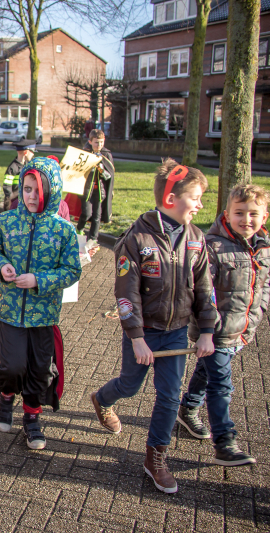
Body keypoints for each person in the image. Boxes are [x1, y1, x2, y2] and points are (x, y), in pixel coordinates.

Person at [90, 159, 217, 494]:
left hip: (176, 332)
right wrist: (136, 337)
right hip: (144, 333)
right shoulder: (136, 238)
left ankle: (155, 457)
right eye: (195, 198)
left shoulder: (196, 239)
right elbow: (126, 292)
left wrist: (206, 331)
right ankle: (102, 398)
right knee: (130, 385)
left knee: (170, 395)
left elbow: (205, 288)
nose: (200, 205)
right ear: (172, 199)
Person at [0, 157, 81, 450]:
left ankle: (32, 416)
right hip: (10, 311)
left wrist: (39, 279)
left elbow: (72, 271)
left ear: (53, 191)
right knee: (13, 365)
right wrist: (1, 266)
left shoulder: (64, 230)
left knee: (39, 370)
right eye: (27, 189)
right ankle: (6, 397)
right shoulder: (6, 221)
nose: (32, 196)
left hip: (44, 315)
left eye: (39, 190)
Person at [176, 184, 269, 466]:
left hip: (242, 329)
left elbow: (264, 285)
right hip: (215, 332)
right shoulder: (213, 247)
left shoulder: (263, 248)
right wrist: (207, 330)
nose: (246, 219)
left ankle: (187, 409)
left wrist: (259, 311)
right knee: (221, 385)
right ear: (226, 214)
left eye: (253, 214)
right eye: (239, 213)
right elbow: (202, 292)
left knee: (206, 372)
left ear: (264, 217)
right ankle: (225, 442)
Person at [77, 129, 115, 242]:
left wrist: (102, 170)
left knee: (96, 217)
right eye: (96, 142)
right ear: (90, 141)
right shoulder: (85, 153)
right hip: (86, 190)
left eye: (101, 142)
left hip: (99, 191)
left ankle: (93, 239)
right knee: (86, 213)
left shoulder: (106, 155)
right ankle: (79, 229)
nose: (99, 145)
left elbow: (110, 175)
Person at [2, 139, 36, 211]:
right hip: (14, 202)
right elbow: (7, 186)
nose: (33, 154)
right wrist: (10, 201)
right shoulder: (13, 167)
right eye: (32, 152)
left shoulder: (27, 166)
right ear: (26, 152)